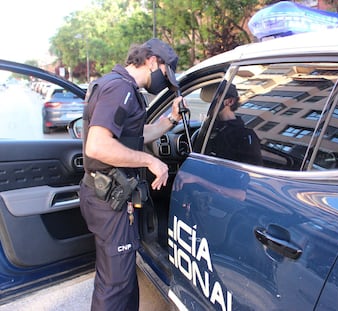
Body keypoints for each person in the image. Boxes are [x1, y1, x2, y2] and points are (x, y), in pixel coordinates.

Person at [79, 38, 184, 311]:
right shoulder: (119, 88)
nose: (164, 81)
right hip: (108, 200)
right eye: (165, 72)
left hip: (111, 197)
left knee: (122, 280)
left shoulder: (122, 87)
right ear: (151, 61)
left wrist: (170, 119)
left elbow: (137, 135)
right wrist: (150, 160)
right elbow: (98, 145)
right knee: (114, 286)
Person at [205, 83, 263, 166]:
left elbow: (248, 172)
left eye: (212, 100)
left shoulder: (245, 136)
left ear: (230, 101)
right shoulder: (210, 127)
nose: (209, 105)